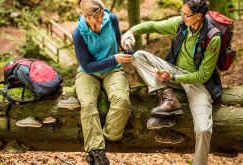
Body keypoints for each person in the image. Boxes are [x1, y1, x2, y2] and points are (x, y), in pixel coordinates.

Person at [121, 0, 220, 164]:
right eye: (181, 12)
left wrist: (172, 78)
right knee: (138, 56)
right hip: (173, 70)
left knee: (203, 130)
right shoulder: (181, 23)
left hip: (197, 82)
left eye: (186, 14)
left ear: (199, 16)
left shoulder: (212, 37)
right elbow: (153, 26)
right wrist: (131, 31)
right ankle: (168, 98)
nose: (182, 16)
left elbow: (203, 75)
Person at [65, 0, 132, 164]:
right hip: (88, 73)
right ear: (86, 16)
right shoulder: (78, 34)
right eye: (97, 18)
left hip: (113, 70)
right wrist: (113, 58)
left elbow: (118, 40)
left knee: (122, 99)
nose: (102, 20)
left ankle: (108, 138)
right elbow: (87, 66)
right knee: (87, 104)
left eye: (102, 15)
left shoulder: (112, 19)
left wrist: (125, 44)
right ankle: (97, 152)